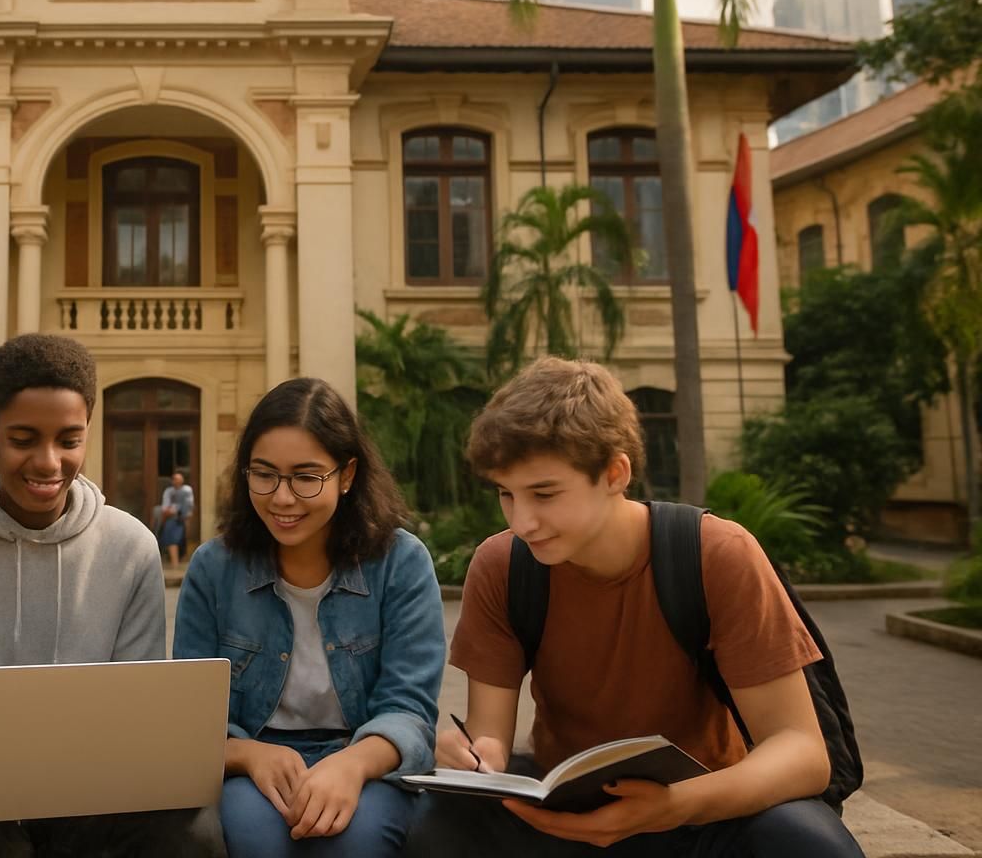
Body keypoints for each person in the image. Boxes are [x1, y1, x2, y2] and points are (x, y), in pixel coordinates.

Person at [405, 356, 865, 858]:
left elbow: (802, 753)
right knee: (440, 826)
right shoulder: (502, 565)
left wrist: (674, 805)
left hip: (707, 806)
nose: (523, 521)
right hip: (571, 813)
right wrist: (475, 756)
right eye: (506, 495)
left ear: (614, 472)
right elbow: (489, 734)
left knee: (810, 843)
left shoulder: (716, 553)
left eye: (544, 493)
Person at [0, 333, 222, 857]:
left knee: (193, 828)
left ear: (88, 433)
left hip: (98, 794)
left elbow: (138, 704)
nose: (48, 461)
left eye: (68, 439)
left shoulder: (131, 546)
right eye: (24, 438)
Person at [174, 377, 444, 857]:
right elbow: (193, 721)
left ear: (346, 475)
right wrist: (248, 755)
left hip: (366, 757)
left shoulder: (401, 562)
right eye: (264, 474)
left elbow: (409, 711)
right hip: (254, 759)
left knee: (355, 842)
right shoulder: (214, 569)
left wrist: (353, 765)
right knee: (255, 840)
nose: (281, 498)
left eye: (305, 476)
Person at [159, 470, 195, 565]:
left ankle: (180, 560)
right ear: (172, 481)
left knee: (183, 540)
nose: (177, 481)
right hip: (173, 519)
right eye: (175, 479)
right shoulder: (169, 491)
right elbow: (165, 508)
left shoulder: (187, 490)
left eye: (179, 479)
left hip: (184, 518)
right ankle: (175, 563)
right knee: (172, 540)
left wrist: (186, 517)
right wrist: (171, 512)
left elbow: (189, 506)